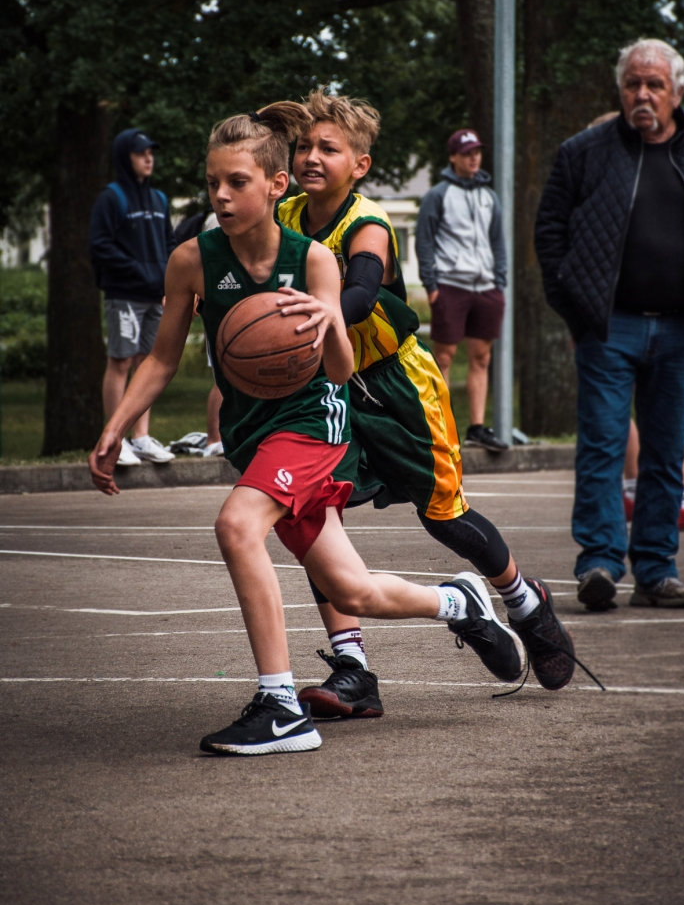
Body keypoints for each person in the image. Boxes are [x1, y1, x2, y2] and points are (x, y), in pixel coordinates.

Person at [89, 104, 527, 757]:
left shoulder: (315, 260)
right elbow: (160, 360)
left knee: (236, 525)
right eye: (213, 183)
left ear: (275, 185)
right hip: (253, 434)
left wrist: (326, 325)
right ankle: (458, 602)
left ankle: (279, 705)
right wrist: (115, 428)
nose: (221, 196)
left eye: (237, 182)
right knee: (353, 589)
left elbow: (344, 370)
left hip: (314, 425)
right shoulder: (192, 260)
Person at [278, 91, 580, 719]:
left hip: (397, 386)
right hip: (329, 388)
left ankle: (526, 604)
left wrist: (315, 315)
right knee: (315, 520)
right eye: (304, 145)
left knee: (443, 517)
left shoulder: (367, 223)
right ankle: (354, 669)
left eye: (328, 148)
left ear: (359, 164)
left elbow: (360, 290)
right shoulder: (282, 215)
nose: (311, 156)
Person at [535, 38, 684, 611]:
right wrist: (579, 311)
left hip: (682, 331)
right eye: (633, 84)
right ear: (621, 89)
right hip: (609, 328)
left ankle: (656, 570)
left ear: (678, 91)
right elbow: (550, 233)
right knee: (602, 447)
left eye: (654, 84)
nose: (643, 94)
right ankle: (599, 564)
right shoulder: (585, 152)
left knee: (664, 452)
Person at [588, 115, 684, 532]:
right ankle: (663, 492)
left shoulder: (638, 186)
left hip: (639, 317)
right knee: (642, 408)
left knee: (640, 408)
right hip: (633, 315)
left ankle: (670, 493)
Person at [415, 129, 508, 452]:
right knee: (444, 356)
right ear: (453, 157)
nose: (474, 157)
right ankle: (440, 426)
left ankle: (477, 428)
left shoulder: (489, 196)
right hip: (450, 286)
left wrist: (500, 281)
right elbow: (424, 241)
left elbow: (498, 240)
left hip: (486, 288)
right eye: (467, 152)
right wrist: (431, 285)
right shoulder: (438, 195)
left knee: (481, 357)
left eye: (477, 152)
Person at [89, 129, 176, 465]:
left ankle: (140, 438)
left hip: (155, 296)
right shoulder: (111, 198)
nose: (149, 158)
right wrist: (140, 271)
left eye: (151, 152)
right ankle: (115, 439)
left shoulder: (159, 200)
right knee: (121, 361)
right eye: (142, 153)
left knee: (147, 363)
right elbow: (100, 246)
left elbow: (169, 244)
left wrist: (168, 280)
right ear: (126, 157)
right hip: (124, 295)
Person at [170, 208, 224, 457]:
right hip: (222, 313)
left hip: (244, 314)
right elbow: (207, 265)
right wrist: (194, 293)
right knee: (223, 379)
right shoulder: (218, 221)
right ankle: (214, 439)